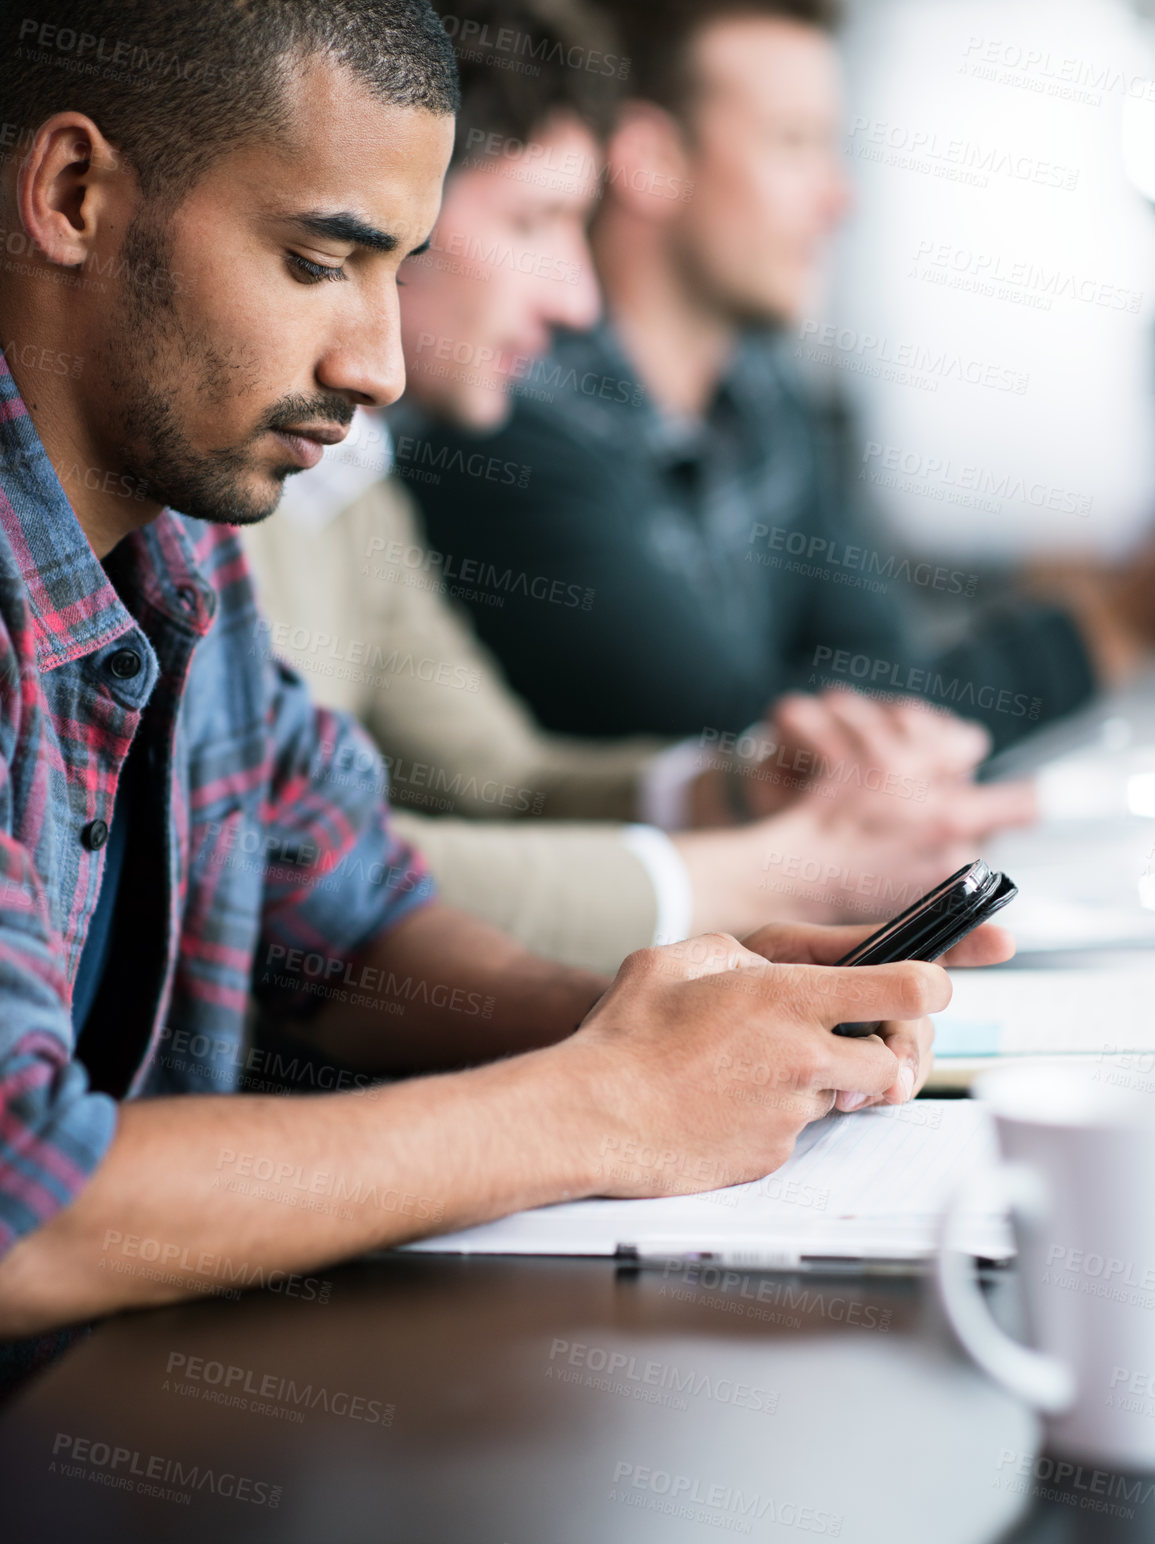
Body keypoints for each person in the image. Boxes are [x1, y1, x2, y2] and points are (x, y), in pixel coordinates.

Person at [0, 0, 1009, 1341]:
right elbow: (28, 1199)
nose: (381, 365)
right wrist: (601, 1100)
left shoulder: (185, 549)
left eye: (399, 270)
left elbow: (351, 922)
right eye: (316, 262)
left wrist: (671, 1020)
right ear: (73, 195)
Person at [243, 0, 1033, 973]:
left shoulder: (358, 477)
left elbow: (498, 779)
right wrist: (780, 874)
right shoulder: (269, 467)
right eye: (535, 220)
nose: (577, 298)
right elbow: (294, 881)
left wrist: (734, 788)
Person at [403, 0, 1154, 761]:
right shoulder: (507, 415)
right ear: (653, 159)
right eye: (794, 144)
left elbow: (878, 683)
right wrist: (1114, 624)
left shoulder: (760, 392)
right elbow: (745, 745)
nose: (838, 199)